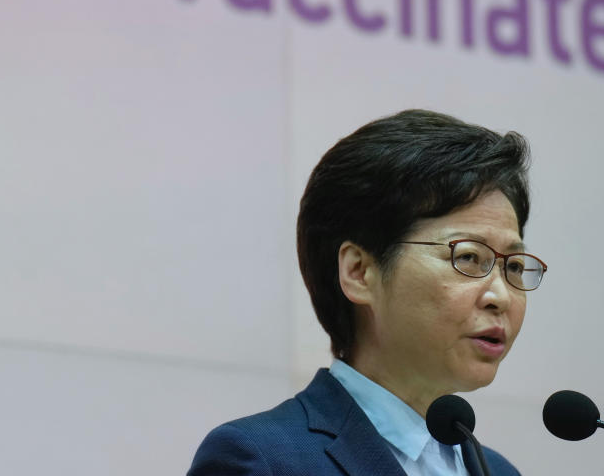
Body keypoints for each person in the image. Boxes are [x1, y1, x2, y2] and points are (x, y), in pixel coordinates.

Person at [188, 109, 546, 475]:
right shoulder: (263, 459)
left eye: (514, 266)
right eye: (469, 257)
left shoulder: (499, 472)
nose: (500, 296)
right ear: (359, 272)